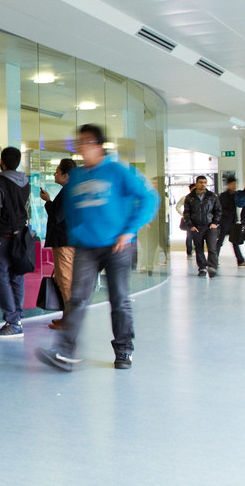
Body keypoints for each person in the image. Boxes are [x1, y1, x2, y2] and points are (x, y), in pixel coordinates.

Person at [36, 124, 159, 371]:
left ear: (99, 146)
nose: (81, 148)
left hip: (118, 246)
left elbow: (149, 198)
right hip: (86, 247)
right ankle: (65, 352)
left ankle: (124, 349)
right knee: (77, 299)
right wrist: (76, 232)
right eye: (79, 143)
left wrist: (129, 230)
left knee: (119, 299)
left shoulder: (118, 170)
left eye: (86, 143)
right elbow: (70, 208)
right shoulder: (78, 176)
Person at [0, 146, 31, 338]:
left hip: (2, 237)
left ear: (1, 162)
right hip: (20, 237)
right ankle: (17, 317)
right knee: (17, 278)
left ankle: (12, 322)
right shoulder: (25, 182)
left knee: (0, 279)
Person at [39, 157, 76, 330]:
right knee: (63, 279)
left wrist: (47, 201)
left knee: (66, 279)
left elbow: (58, 216)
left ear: (66, 175)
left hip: (64, 242)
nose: (55, 173)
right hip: (67, 241)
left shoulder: (69, 192)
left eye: (57, 171)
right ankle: (66, 317)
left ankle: (70, 320)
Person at [183, 175, 221, 277]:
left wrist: (215, 223)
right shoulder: (190, 197)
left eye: (205, 182)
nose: (203, 184)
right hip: (197, 227)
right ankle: (202, 268)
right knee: (199, 248)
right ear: (196, 184)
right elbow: (186, 213)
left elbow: (218, 211)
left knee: (212, 248)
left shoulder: (212, 196)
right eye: (201, 182)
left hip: (210, 227)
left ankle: (212, 267)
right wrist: (190, 225)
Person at [218, 176, 245, 267]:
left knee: (235, 242)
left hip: (233, 222)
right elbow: (220, 209)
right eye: (232, 184)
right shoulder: (223, 196)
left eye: (235, 184)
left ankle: (240, 261)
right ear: (228, 185)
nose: (234, 186)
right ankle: (213, 260)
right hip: (224, 222)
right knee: (219, 242)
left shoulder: (236, 195)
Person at [176, 183, 195, 257]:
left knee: (197, 236)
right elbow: (178, 206)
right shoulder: (185, 198)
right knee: (189, 236)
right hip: (188, 220)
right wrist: (182, 214)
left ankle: (195, 250)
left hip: (198, 220)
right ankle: (189, 252)